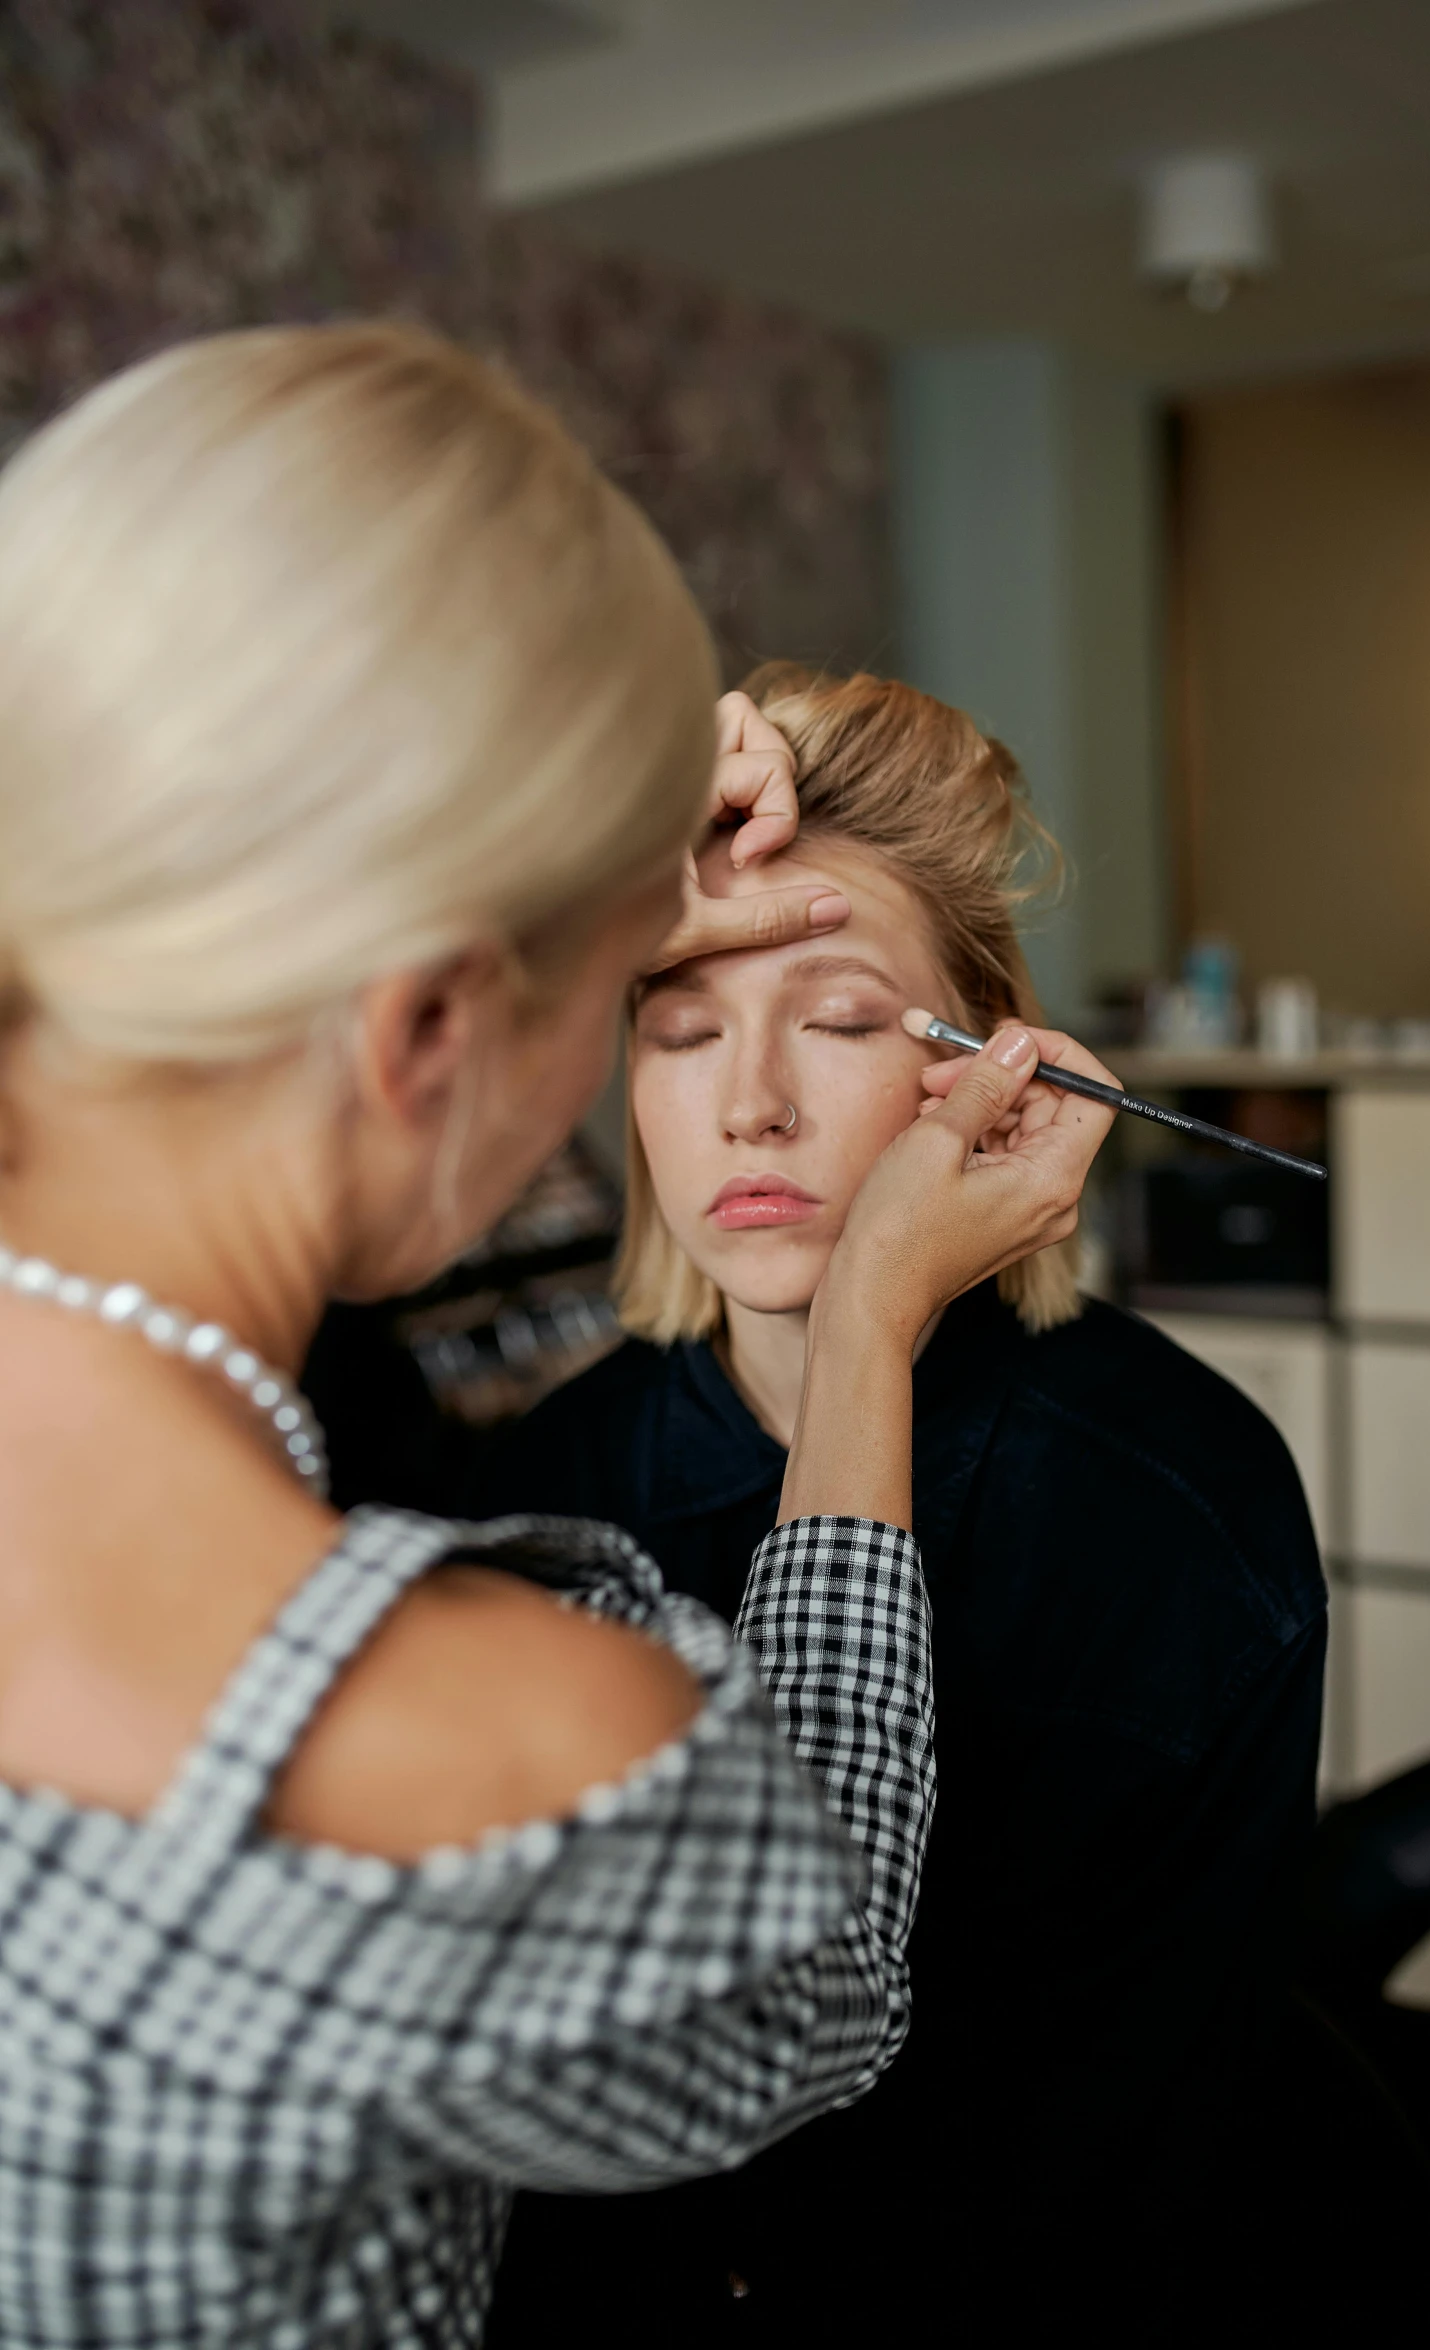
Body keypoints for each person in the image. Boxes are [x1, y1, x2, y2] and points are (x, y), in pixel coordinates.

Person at [0, 333, 1115, 2347]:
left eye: (839, 1017)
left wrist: (549, 882)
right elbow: (828, 1964)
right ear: (425, 1026)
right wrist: (866, 1320)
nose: (735, 1088)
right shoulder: (468, 1743)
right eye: (650, 1007)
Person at [458, 665, 1329, 2335]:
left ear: (996, 1076)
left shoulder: (1173, 1511)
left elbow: (1127, 2159)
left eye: (846, 1018)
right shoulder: (546, 1499)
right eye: (680, 1024)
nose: (748, 1101)